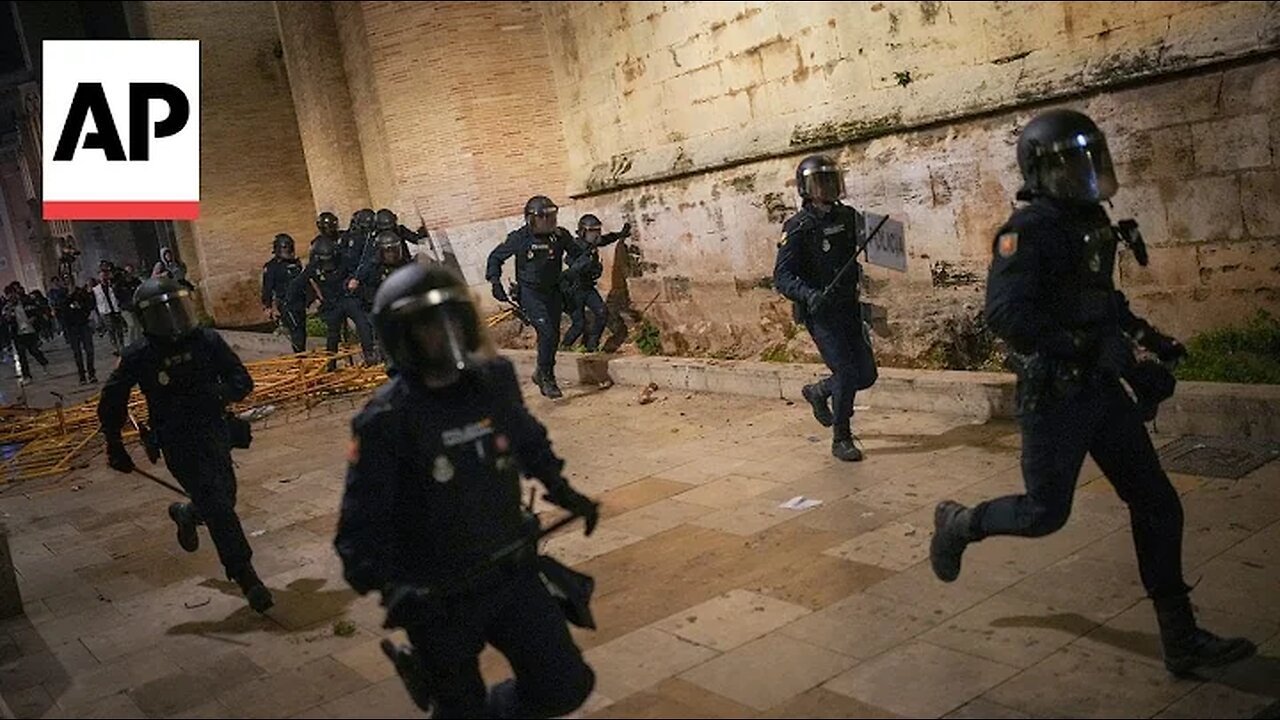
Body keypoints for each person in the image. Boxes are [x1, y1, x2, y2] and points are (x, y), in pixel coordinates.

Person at [930, 108, 1256, 676]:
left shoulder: (1092, 222)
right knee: (1043, 514)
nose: (1080, 172)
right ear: (1040, 171)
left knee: (1156, 503)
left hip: (1102, 391)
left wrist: (1149, 341)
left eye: (1087, 158)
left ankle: (1181, 639)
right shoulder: (1026, 232)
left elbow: (1105, 302)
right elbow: (1005, 315)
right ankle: (961, 523)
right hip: (1055, 397)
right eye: (1067, 163)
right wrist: (1082, 346)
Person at [335, 262, 599, 718]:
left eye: (452, 320)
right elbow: (358, 530)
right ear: (401, 337)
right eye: (428, 327)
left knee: (565, 686)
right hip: (440, 595)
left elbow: (525, 437)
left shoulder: (490, 382)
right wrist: (390, 588)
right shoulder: (386, 420)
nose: (446, 335)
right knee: (461, 709)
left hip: (511, 571)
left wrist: (562, 488)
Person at [97, 278, 272, 613]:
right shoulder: (141, 354)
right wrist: (114, 442)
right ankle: (246, 576)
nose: (172, 320)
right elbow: (113, 399)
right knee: (219, 506)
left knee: (224, 497)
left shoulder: (206, 340)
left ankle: (187, 512)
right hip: (177, 440)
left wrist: (218, 394)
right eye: (162, 314)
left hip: (215, 431)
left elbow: (241, 380)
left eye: (175, 308)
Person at [773, 155, 875, 462]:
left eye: (832, 180)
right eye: (821, 182)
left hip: (848, 307)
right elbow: (781, 276)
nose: (828, 187)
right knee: (845, 372)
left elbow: (868, 247)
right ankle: (841, 437)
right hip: (820, 312)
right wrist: (808, 293)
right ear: (806, 188)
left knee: (866, 375)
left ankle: (819, 392)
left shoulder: (848, 217)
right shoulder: (798, 227)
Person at [486, 196, 571, 399]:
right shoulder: (519, 238)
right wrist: (495, 282)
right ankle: (548, 377)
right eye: (545, 217)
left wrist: (577, 268)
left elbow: (577, 253)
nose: (550, 221)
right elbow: (495, 257)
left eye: (553, 216)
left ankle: (540, 372)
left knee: (553, 336)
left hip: (553, 291)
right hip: (530, 293)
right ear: (531, 219)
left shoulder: (560, 236)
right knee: (547, 332)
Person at [289, 235, 377, 368]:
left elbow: (357, 270)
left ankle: (369, 354)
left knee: (362, 322)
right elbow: (297, 284)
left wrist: (354, 280)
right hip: (331, 303)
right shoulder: (313, 267)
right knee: (333, 333)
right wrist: (289, 302)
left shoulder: (343, 259)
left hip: (347, 298)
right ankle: (331, 363)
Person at [561, 215, 630, 353]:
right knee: (579, 324)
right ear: (583, 232)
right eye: (592, 231)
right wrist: (583, 264)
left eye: (597, 231)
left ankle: (592, 345)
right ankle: (564, 347)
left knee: (602, 313)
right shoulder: (576, 246)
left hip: (588, 288)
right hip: (574, 290)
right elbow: (568, 261)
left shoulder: (593, 243)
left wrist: (620, 234)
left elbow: (605, 239)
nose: (596, 235)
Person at [261, 233, 308, 353]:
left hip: (299, 301)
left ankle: (301, 354)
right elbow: (267, 288)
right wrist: (267, 306)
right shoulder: (272, 267)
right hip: (286, 303)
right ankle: (300, 357)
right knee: (296, 330)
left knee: (302, 330)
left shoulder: (295, 263)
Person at [2, 284, 50, 383]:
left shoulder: (26, 302)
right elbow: (5, 320)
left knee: (34, 350)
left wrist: (34, 319)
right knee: (22, 355)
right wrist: (9, 312)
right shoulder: (7, 307)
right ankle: (27, 376)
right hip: (17, 334)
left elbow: (36, 311)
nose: (12, 297)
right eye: (9, 295)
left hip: (30, 331)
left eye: (13, 294)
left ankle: (44, 363)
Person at [60, 281, 98, 384]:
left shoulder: (81, 293)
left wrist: (89, 295)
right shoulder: (62, 295)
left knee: (89, 350)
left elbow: (90, 306)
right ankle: (82, 376)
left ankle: (91, 374)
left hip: (83, 325)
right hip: (71, 328)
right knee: (77, 353)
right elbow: (61, 311)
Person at [93, 264, 127, 353]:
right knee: (111, 329)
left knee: (119, 329)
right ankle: (115, 346)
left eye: (105, 275)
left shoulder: (112, 286)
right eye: (101, 276)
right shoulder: (96, 289)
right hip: (105, 311)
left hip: (115, 309)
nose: (103, 277)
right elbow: (96, 302)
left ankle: (122, 345)